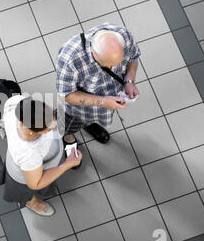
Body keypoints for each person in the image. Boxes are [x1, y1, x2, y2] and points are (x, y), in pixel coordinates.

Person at [56, 23, 141, 166]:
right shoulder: (70, 59)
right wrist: (102, 102)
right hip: (78, 107)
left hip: (105, 102)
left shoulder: (124, 36)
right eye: (107, 65)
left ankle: (89, 123)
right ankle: (69, 140)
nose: (112, 68)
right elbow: (66, 94)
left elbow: (133, 57)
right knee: (69, 126)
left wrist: (129, 80)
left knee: (89, 119)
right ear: (94, 53)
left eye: (117, 63)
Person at [0, 95, 82, 217]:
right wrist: (66, 165)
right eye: (47, 128)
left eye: (52, 119)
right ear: (32, 130)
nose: (54, 126)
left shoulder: (17, 103)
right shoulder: (28, 152)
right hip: (26, 175)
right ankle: (31, 202)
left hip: (36, 162)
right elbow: (35, 183)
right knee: (26, 191)